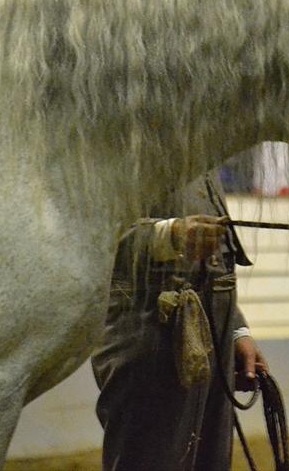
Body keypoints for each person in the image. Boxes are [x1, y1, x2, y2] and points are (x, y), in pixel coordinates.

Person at [92, 172, 268, 471]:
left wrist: (237, 330)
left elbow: (216, 265)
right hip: (148, 329)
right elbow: (87, 233)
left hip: (212, 329)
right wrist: (167, 236)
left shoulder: (199, 148)